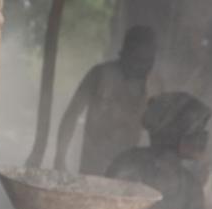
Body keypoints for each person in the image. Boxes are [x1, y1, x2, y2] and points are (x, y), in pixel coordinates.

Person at [51, 25, 159, 176]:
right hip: (93, 164)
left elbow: (158, 132)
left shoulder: (154, 87)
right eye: (138, 59)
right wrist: (60, 156)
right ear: (125, 53)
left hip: (129, 171)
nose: (142, 66)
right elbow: (72, 114)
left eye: (147, 61)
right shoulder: (100, 75)